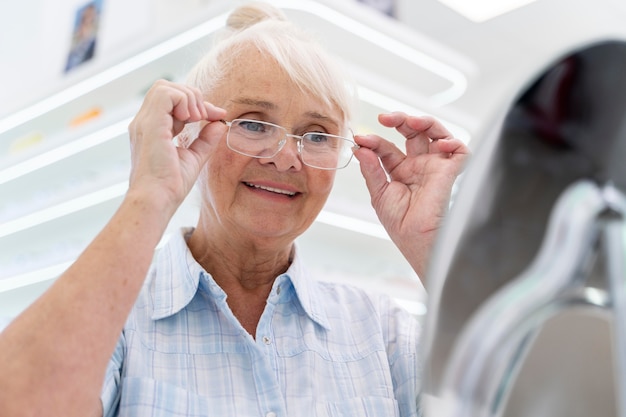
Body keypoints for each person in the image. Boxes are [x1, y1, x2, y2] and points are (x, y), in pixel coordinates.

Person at [0, 2, 468, 416]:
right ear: (189, 132)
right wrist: (148, 196)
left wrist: (433, 246)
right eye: (252, 123)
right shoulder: (117, 318)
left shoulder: (381, 330)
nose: (286, 157)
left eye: (317, 135)